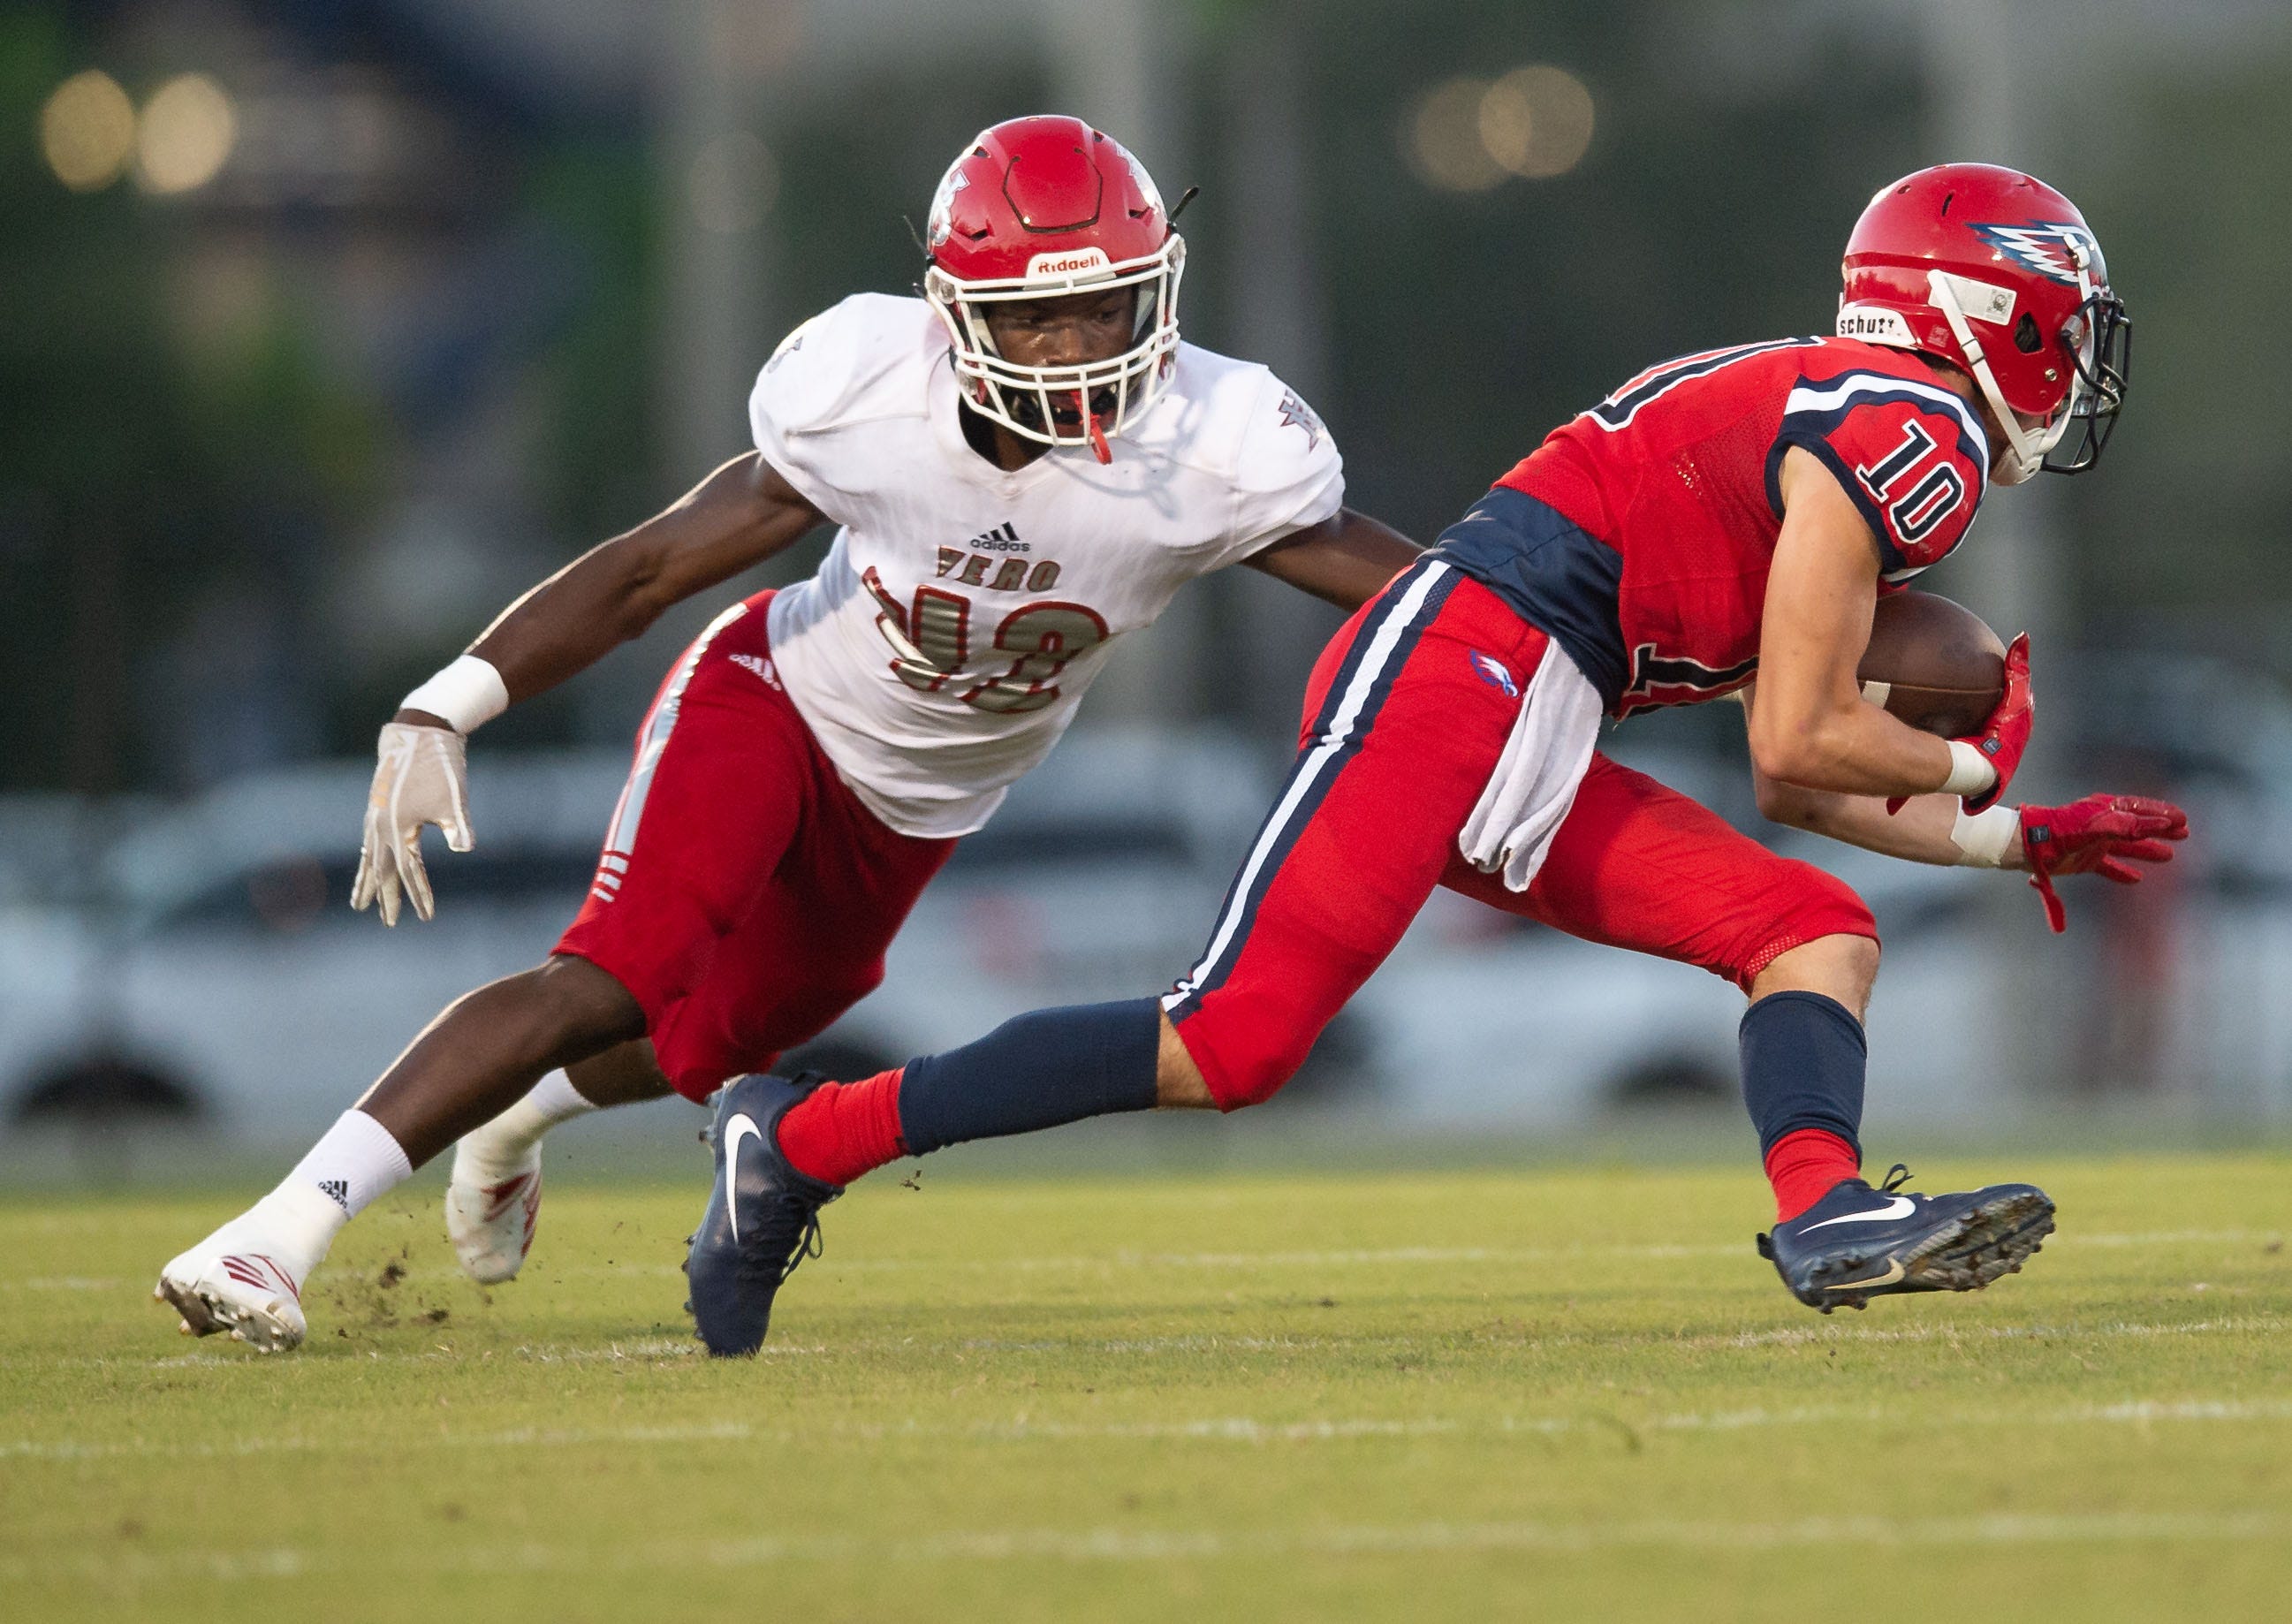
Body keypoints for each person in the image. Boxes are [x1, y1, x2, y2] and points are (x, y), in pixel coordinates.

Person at [681, 163, 2190, 1355]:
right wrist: (1977, 770)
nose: (2076, 360)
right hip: (1466, 665)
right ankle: (798, 1135)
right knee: (1230, 1040)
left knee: (1808, 926)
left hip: (1527, 697)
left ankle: (1826, 1214)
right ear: (1998, 312)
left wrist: (2006, 840)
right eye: (2065, 323)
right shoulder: (1904, 427)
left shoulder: (1849, 408)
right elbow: (1799, 735)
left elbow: (1795, 785)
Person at [153, 115, 1423, 1353]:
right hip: (777, 699)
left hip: (918, 809)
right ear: (954, 316)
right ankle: (273, 1231)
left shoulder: (1214, 444)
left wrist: (1574, 621)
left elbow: (1432, 603)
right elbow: (654, 569)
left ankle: (514, 1118)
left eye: (1109, 305)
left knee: (716, 1042)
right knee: (611, 971)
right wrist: (451, 696)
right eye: (1039, 312)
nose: (1082, 344)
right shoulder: (868, 393)